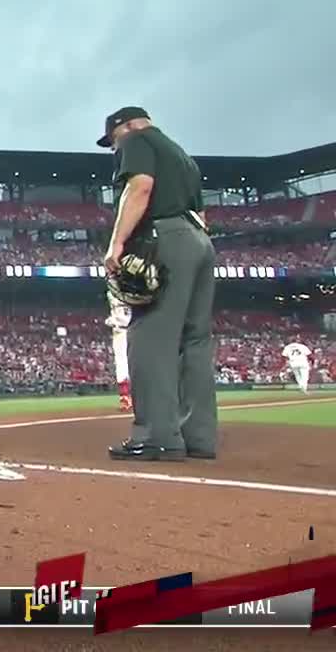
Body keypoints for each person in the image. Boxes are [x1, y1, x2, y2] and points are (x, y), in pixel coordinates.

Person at [98, 107, 217, 461]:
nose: (114, 147)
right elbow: (203, 214)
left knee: (149, 338)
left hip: (166, 236)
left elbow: (140, 187)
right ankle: (199, 438)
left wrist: (117, 243)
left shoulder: (136, 140)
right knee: (194, 341)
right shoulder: (182, 155)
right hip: (199, 241)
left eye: (113, 139)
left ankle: (157, 436)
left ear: (128, 126)